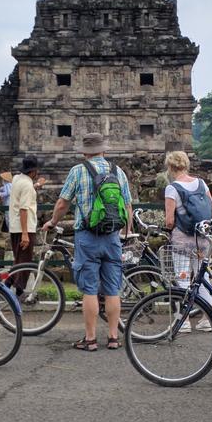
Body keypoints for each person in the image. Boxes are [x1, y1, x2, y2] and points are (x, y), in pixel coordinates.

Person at [41, 133, 133, 351]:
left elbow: (63, 203)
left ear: (84, 152)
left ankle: (90, 339)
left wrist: (53, 222)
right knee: (113, 289)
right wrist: (126, 233)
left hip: (87, 236)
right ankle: (113, 337)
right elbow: (128, 206)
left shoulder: (78, 171)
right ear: (104, 150)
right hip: (112, 236)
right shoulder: (118, 171)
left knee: (90, 290)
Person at [162, 150, 212, 332]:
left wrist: (169, 228)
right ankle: (208, 319)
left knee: (182, 280)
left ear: (170, 167)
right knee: (203, 278)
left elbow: (169, 221)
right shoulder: (201, 183)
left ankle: (183, 322)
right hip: (202, 240)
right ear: (186, 165)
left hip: (182, 243)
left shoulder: (172, 188)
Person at [8, 156, 41, 294]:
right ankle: (16, 292)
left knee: (18, 262)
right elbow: (23, 209)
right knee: (24, 265)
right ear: (33, 172)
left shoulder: (17, 179)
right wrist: (25, 234)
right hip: (24, 228)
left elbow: (24, 191)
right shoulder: (27, 185)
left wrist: (36, 186)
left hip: (15, 227)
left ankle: (4, 284)